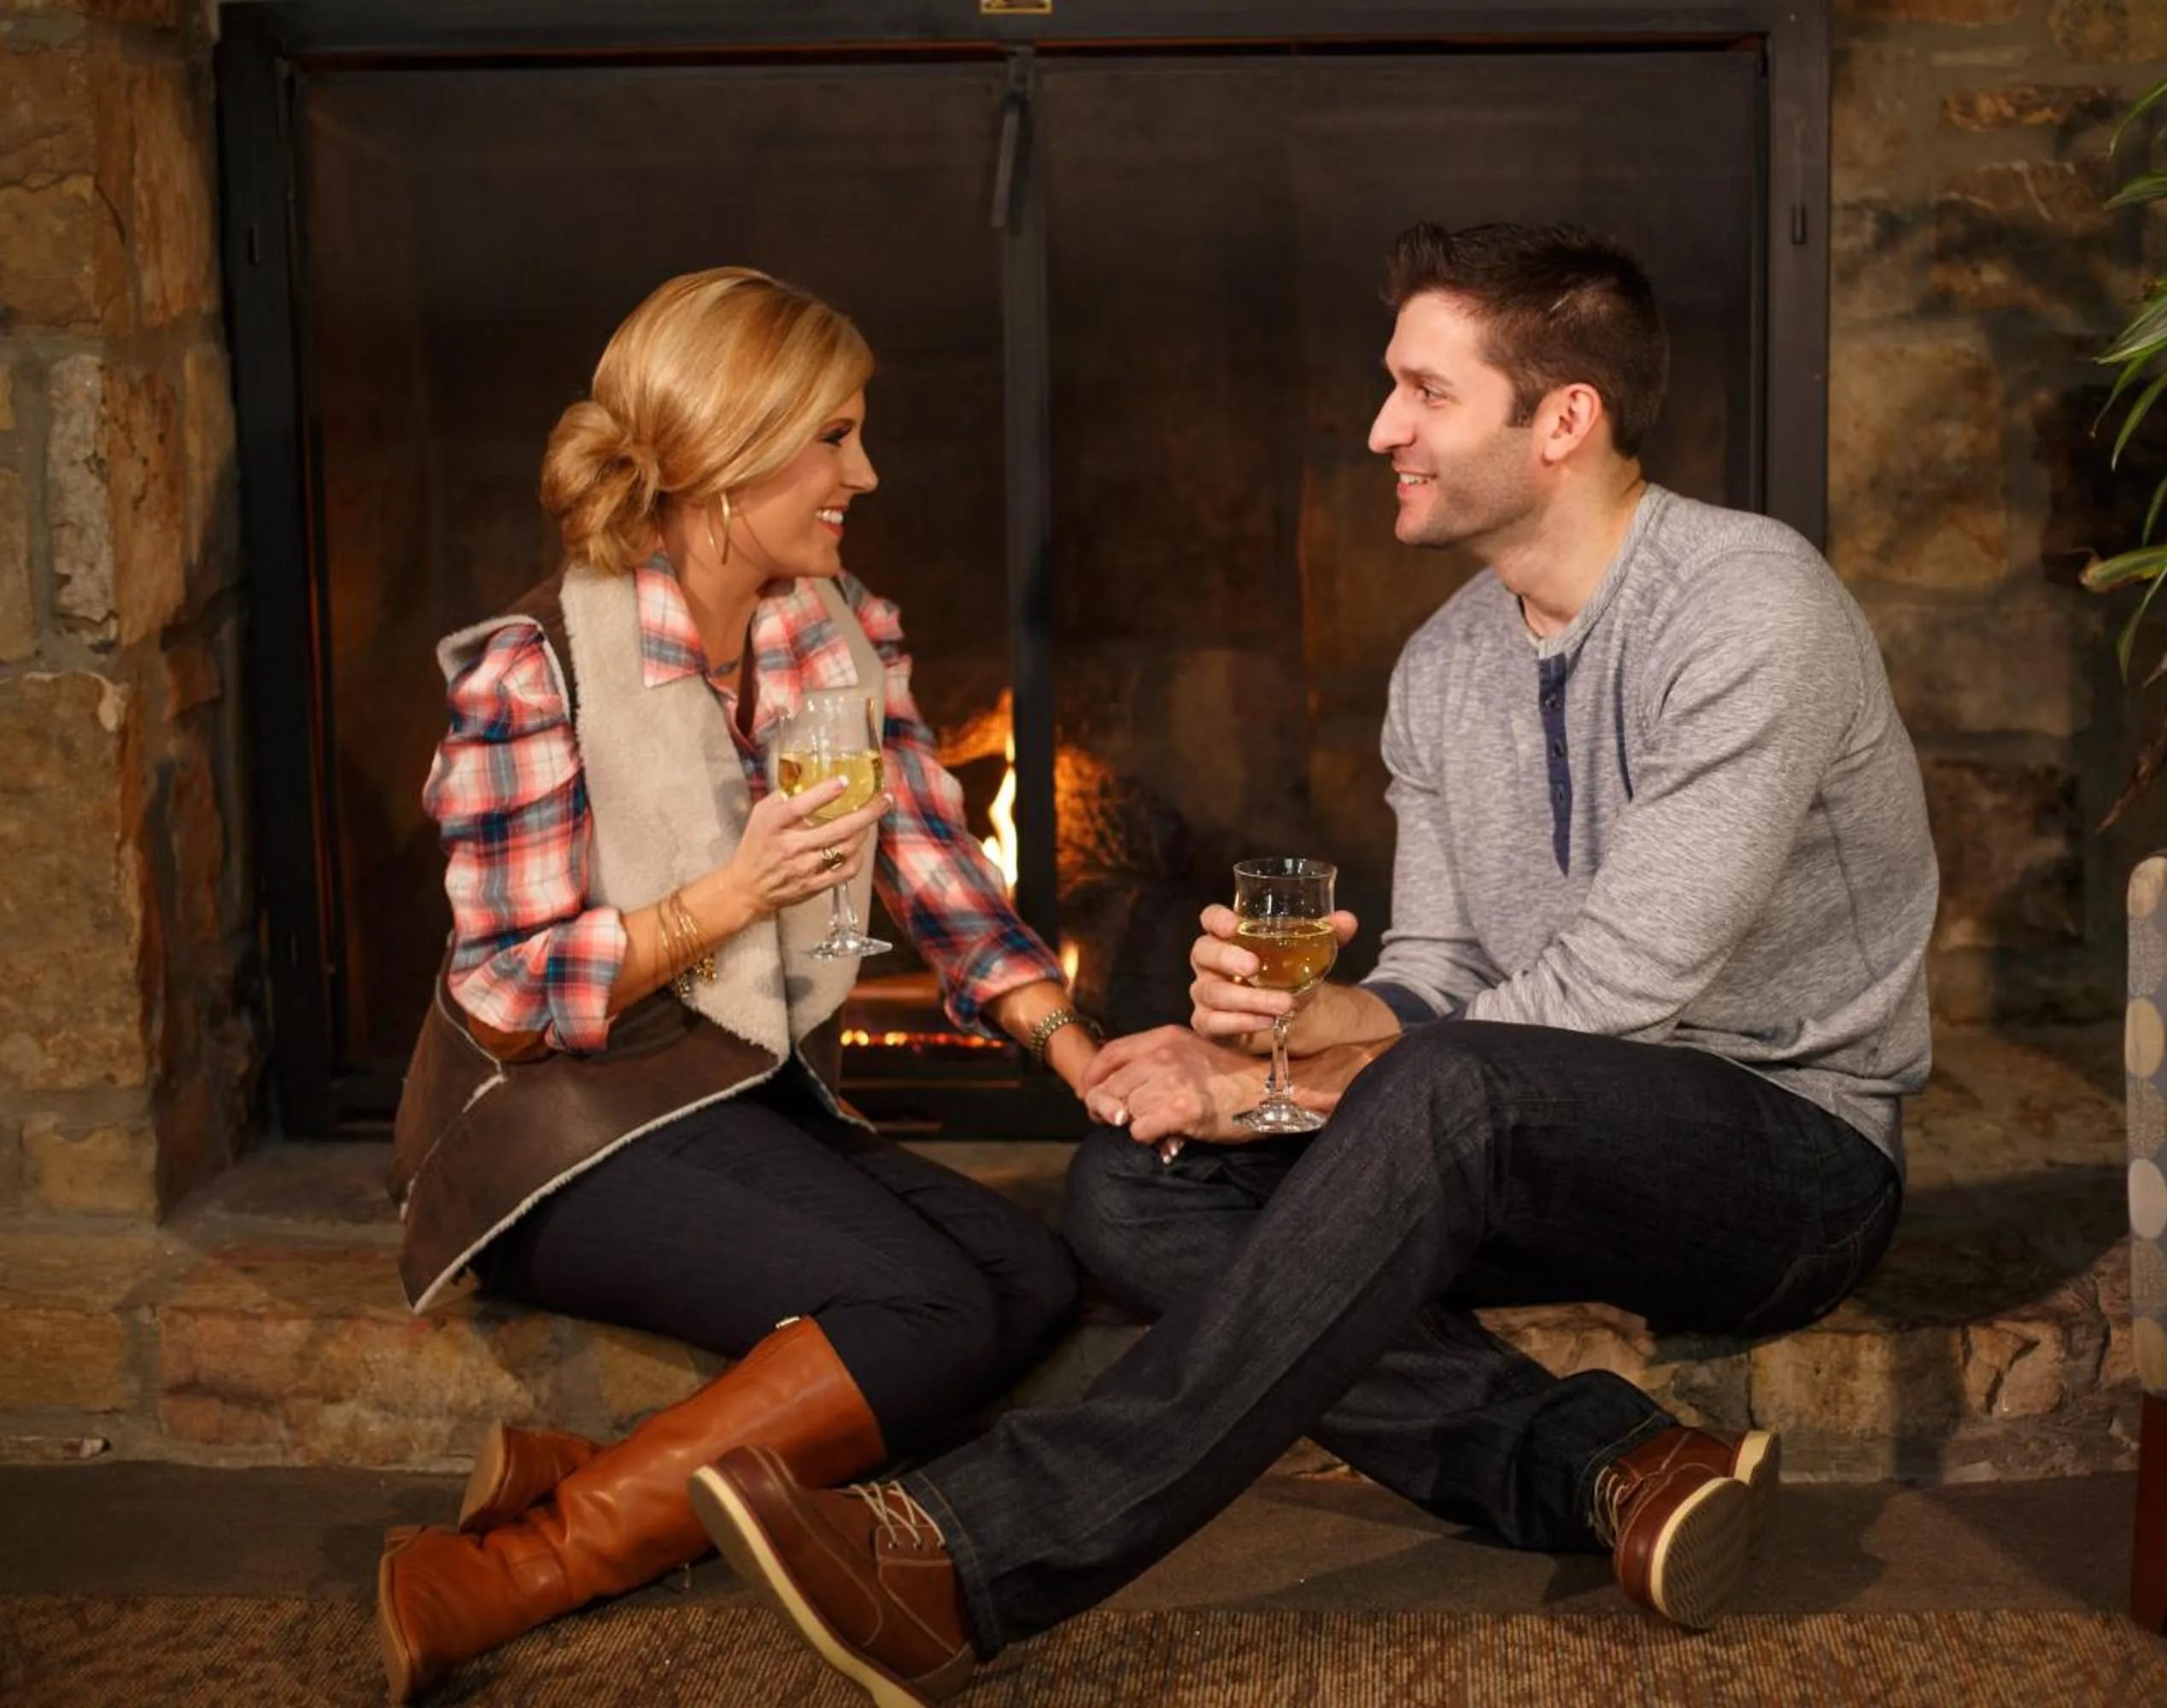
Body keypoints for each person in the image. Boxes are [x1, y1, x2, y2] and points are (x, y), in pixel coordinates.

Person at [683, 223, 1939, 1706]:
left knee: (1434, 1092)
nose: (1381, 428)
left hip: (1785, 1157)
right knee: (1138, 1186)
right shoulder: (1447, 664)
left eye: (1426, 392)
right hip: (1533, 1136)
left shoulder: (1747, 606)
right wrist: (1300, 1028)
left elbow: (1616, 993)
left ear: (1563, 420)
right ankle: (1609, 1465)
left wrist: (1277, 1088)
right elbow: (1446, 972)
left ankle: (970, 1557)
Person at [375, 267, 1098, 1702]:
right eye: (833, 437)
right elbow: (506, 993)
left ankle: (592, 1477)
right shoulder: (534, 669)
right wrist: (726, 900)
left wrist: (1074, 1046)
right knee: (928, 1308)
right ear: (723, 458)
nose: (864, 473)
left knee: (1031, 1278)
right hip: (555, 1130)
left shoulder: (835, 625)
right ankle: (517, 1567)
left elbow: (929, 856)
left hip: (732, 1093)